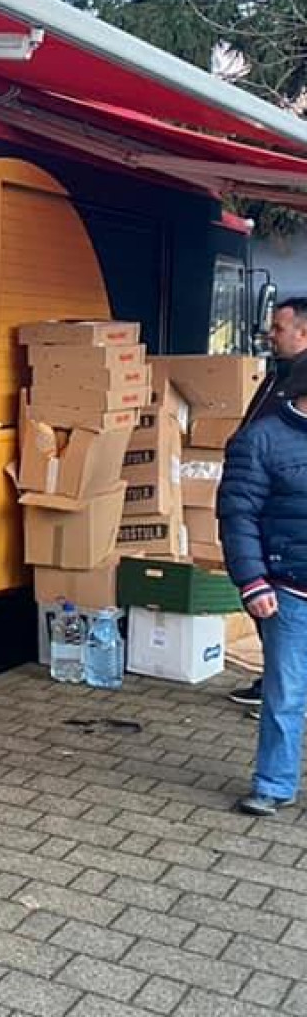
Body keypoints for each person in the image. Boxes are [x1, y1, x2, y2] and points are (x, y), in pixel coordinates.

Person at [218, 361, 307, 816]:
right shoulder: (260, 440)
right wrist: (252, 582)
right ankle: (274, 785)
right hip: (288, 588)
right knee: (285, 693)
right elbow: (237, 515)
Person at [227, 297, 307, 711]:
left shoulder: (297, 385)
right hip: (266, 516)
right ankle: (276, 681)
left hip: (285, 535)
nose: (271, 335)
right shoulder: (279, 375)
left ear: (304, 333)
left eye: (279, 328)